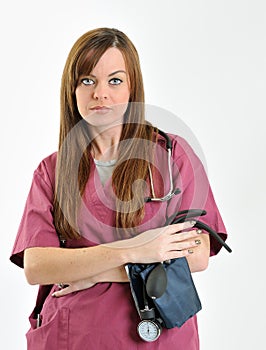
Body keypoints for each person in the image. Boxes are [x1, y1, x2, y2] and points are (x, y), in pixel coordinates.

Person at [10, 27, 227, 349]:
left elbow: (195, 255)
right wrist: (137, 251)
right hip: (74, 335)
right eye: (87, 80)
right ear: (72, 90)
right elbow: (38, 266)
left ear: (132, 88)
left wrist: (93, 272)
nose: (100, 93)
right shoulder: (52, 171)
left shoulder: (170, 156)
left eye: (114, 80)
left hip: (159, 334)